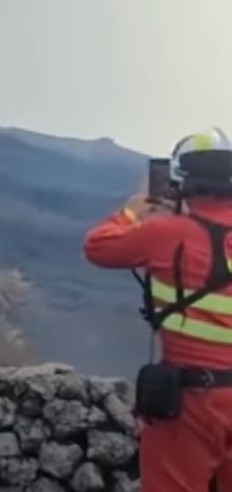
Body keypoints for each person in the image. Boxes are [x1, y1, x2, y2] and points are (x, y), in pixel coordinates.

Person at [84, 127, 232, 492]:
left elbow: (98, 247)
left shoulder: (167, 233)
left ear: (178, 180)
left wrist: (134, 211)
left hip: (191, 403)